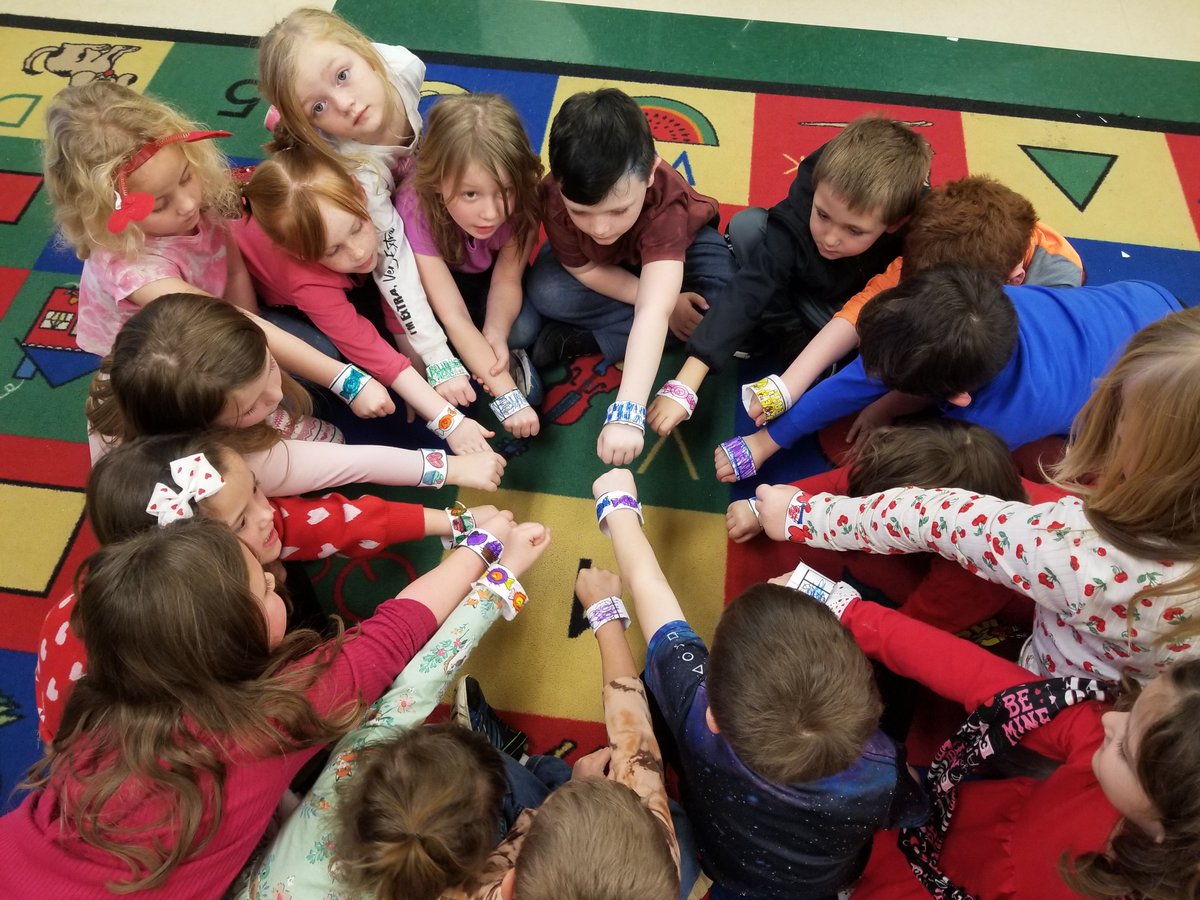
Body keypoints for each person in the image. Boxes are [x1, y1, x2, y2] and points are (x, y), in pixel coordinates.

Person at [0, 509, 545, 897]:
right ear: (226, 643)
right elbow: (393, 639)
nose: (270, 575)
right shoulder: (259, 725)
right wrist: (483, 552)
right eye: (261, 590)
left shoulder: (114, 686)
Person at [753, 303, 1200, 683]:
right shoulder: (1077, 528)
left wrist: (801, 518)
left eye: (1120, 430)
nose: (1109, 427)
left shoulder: (1073, 549)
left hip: (1050, 693)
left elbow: (929, 522)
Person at [773, 561, 1200, 900]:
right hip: (960, 825)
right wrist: (847, 610)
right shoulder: (1102, 739)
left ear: (1170, 829)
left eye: (1125, 749)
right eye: (1132, 708)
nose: (1109, 719)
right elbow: (978, 677)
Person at [34, 431, 499, 742]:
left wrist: (455, 521)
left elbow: (339, 520)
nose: (265, 514)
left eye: (256, 489)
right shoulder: (198, 651)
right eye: (239, 522)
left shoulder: (239, 529)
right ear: (191, 559)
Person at [592, 468, 926, 899]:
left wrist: (617, 506)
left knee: (654, 684)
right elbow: (914, 804)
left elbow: (649, 590)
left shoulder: (696, 712)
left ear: (715, 716)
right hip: (819, 884)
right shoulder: (878, 770)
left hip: (723, 862)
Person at [232, 523, 556, 900]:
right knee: (543, 791)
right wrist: (505, 573)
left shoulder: (351, 770)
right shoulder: (349, 769)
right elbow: (425, 675)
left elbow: (423, 680)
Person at [41, 80, 394, 418]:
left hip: (222, 307)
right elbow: (228, 321)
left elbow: (235, 272)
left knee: (312, 358)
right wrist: (347, 381)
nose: (188, 204)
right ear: (106, 211)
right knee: (239, 403)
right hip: (171, 350)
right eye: (160, 205)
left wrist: (257, 354)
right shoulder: (135, 271)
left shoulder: (195, 188)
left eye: (185, 177)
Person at [715, 266, 1182, 482]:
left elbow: (918, 480)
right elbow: (854, 382)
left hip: (1164, 383)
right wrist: (767, 441)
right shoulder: (974, 307)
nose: (870, 378)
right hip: (1144, 299)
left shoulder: (998, 421)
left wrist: (793, 502)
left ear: (957, 398)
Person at [647, 115, 932, 438]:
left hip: (851, 308)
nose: (830, 239)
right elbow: (754, 283)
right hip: (803, 284)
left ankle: (812, 349)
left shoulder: (918, 225)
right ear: (816, 189)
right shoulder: (809, 198)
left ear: (895, 223)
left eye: (854, 230)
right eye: (822, 215)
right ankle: (790, 336)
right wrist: (686, 381)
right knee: (748, 228)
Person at [742, 174, 1084, 432]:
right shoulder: (939, 248)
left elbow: (977, 364)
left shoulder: (1055, 287)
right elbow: (858, 310)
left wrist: (891, 405)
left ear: (1012, 281)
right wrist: (786, 386)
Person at [257, 7, 475, 408]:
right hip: (369, 169)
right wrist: (437, 356)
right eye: (318, 107)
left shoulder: (405, 66)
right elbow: (392, 265)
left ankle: (292, 110)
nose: (345, 103)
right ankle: (292, 119)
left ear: (365, 51)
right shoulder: (361, 176)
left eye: (343, 75)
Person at [429, 561, 680, 900]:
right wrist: (606, 615)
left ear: (509, 885)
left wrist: (571, 791)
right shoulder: (656, 862)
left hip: (512, 841)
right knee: (678, 825)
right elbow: (635, 741)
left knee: (473, 767)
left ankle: (521, 766)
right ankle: (542, 774)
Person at [86, 294, 505, 496]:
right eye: (251, 405)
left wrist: (349, 382)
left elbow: (256, 327)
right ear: (204, 426)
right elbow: (352, 463)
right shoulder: (224, 462)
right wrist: (452, 469)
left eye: (269, 366)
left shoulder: (142, 359)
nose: (274, 393)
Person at [523, 87, 736, 464]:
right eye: (581, 212)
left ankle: (586, 338)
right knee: (546, 289)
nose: (600, 228)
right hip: (612, 270)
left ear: (651, 172)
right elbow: (584, 269)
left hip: (682, 253)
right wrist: (667, 305)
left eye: (618, 210)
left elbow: (654, 310)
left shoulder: (665, 204)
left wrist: (628, 412)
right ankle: (629, 332)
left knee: (723, 301)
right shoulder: (554, 194)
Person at [234, 142, 497, 444]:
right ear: (300, 253)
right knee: (325, 351)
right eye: (334, 249)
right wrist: (450, 423)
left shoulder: (370, 201)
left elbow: (392, 277)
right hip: (268, 299)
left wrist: (411, 358)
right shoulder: (307, 284)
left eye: (357, 228)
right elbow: (369, 349)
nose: (359, 252)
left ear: (359, 192)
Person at [397, 92, 546, 438]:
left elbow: (507, 280)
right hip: (436, 290)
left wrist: (496, 331)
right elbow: (452, 314)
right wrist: (509, 397)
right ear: (438, 182)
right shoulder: (415, 207)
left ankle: (485, 351)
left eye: (504, 191)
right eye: (470, 194)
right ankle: (481, 355)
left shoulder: (526, 198)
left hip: (487, 280)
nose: (491, 213)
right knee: (432, 334)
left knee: (520, 329)